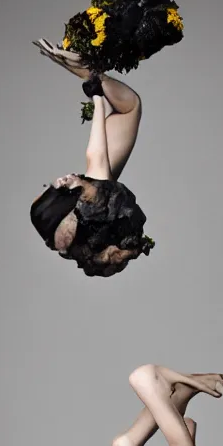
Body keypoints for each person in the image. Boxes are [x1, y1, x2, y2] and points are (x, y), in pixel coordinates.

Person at [30, 41, 153, 277]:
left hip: (95, 231)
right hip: (107, 222)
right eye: (63, 185)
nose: (62, 177)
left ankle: (90, 71)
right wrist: (94, 88)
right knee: (125, 110)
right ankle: (91, 72)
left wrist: (86, 72)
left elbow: (116, 110)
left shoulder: (88, 204)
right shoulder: (96, 191)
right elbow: (97, 145)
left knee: (123, 110)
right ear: (74, 200)